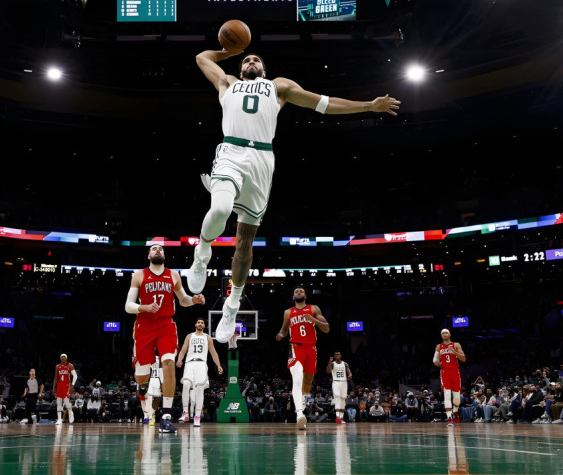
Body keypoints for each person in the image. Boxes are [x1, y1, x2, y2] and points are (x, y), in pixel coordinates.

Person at [187, 48, 400, 342]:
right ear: (240, 68)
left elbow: (324, 104)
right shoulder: (227, 82)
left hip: (262, 160)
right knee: (221, 209)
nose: (251, 61)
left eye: (256, 59)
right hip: (231, 151)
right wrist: (227, 50)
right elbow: (201, 58)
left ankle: (232, 305)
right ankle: (202, 253)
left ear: (263, 69)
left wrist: (368, 106)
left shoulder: (279, 87)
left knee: (245, 243)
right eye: (246, 59)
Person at [125, 244, 206, 433]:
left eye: (161, 249)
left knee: (168, 362)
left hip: (166, 325)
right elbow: (128, 305)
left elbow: (183, 299)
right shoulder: (139, 275)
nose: (158, 251)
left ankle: (166, 417)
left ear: (164, 255)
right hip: (144, 326)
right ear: (148, 255)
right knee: (141, 376)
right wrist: (143, 307)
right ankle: (140, 374)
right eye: (154, 249)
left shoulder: (174, 275)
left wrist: (193, 300)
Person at [276, 285, 330, 430]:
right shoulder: (288, 312)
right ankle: (299, 413)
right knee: (297, 378)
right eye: (296, 291)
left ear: (305, 296)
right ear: (293, 297)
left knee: (307, 382)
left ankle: (304, 397)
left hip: (311, 348)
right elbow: (284, 329)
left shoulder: (313, 309)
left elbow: (326, 328)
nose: (298, 292)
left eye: (301, 291)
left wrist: (313, 319)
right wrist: (280, 335)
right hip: (295, 347)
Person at [177, 318, 223, 427]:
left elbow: (213, 353)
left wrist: (219, 365)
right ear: (195, 324)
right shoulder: (190, 336)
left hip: (201, 364)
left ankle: (197, 416)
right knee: (186, 385)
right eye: (198, 322)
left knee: (199, 389)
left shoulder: (208, 338)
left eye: (202, 323)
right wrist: (179, 359)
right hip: (189, 363)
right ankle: (185, 413)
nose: (200, 324)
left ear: (204, 326)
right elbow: (183, 350)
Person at [433, 328, 466, 426]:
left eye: (446, 332)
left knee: (456, 397)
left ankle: (455, 412)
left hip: (455, 371)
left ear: (450, 334)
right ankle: (449, 418)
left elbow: (463, 358)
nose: (444, 334)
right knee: (447, 395)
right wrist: (438, 363)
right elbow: (435, 360)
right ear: (441, 335)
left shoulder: (456, 345)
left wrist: (454, 352)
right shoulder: (439, 346)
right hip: (445, 372)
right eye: (443, 333)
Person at [327, 351, 352, 424]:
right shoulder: (332, 364)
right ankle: (337, 416)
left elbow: (348, 371)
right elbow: (328, 371)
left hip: (344, 382)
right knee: (337, 397)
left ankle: (341, 417)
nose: (337, 356)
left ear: (341, 356)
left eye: (338, 354)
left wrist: (350, 375)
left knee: (343, 399)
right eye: (336, 355)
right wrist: (329, 362)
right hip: (336, 382)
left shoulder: (345, 364)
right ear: (334, 356)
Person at [53, 354, 77, 425]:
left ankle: (70, 412)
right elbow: (56, 378)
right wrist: (54, 388)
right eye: (61, 358)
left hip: (66, 386)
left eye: (64, 357)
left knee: (66, 403)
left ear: (66, 358)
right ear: (60, 359)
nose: (63, 359)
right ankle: (59, 419)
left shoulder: (70, 365)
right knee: (59, 402)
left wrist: (72, 386)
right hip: (59, 386)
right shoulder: (57, 366)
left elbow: (75, 376)